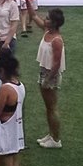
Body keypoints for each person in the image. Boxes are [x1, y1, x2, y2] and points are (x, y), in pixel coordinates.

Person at [34, 9, 65, 148]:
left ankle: (56, 139)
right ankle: (51, 134)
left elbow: (56, 63)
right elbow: (33, 16)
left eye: (48, 18)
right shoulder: (47, 32)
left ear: (54, 22)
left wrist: (48, 79)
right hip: (44, 71)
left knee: (52, 107)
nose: (45, 20)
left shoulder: (56, 40)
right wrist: (27, 2)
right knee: (48, 107)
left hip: (50, 74)